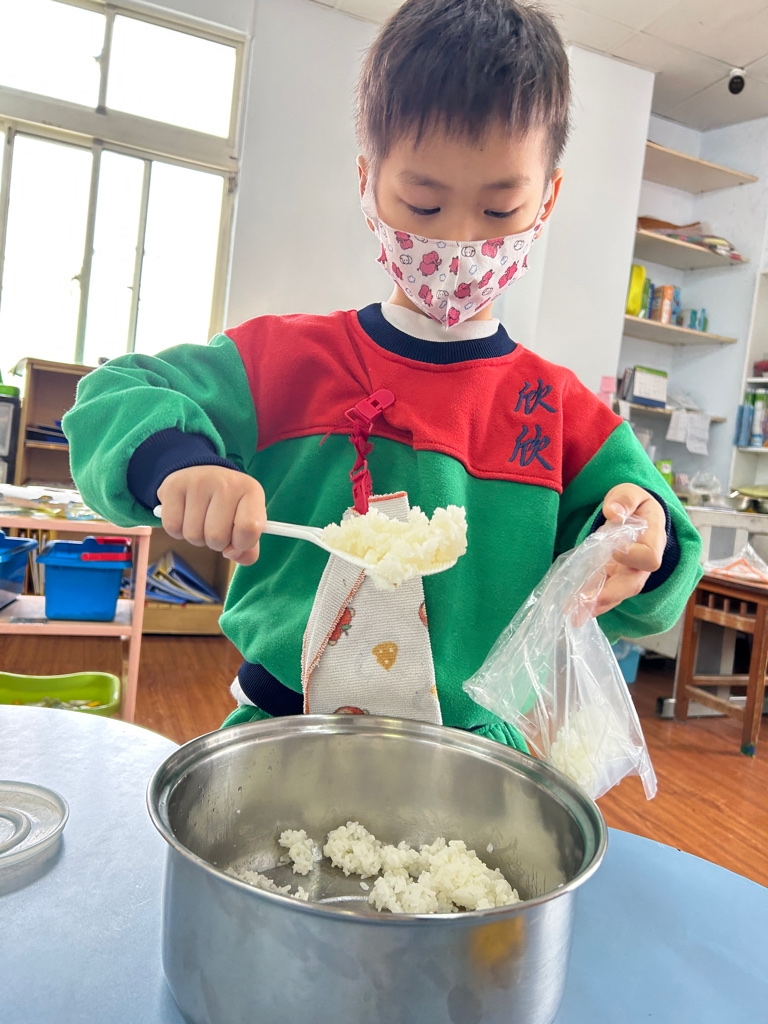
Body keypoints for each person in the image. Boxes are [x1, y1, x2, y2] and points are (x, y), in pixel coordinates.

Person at [63, 0, 701, 748]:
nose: (458, 240)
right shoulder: (286, 362)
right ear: (368, 183)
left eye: (500, 211)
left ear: (546, 200)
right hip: (284, 731)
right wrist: (178, 464)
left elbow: (660, 559)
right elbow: (113, 396)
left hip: (475, 750)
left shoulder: (557, 411)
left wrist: (641, 544)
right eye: (423, 204)